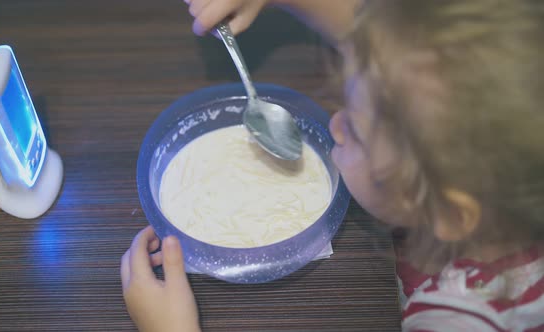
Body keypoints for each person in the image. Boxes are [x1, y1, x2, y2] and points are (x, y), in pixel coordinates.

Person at [120, 0, 544, 330]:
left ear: (451, 213)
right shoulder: (499, 168)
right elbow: (377, 37)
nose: (334, 124)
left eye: (358, 133)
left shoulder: (452, 321)